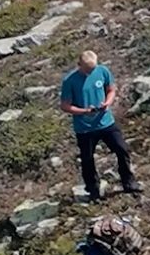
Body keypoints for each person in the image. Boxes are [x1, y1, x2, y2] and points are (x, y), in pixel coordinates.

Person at [59, 51, 141, 202]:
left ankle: (129, 182)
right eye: (87, 69)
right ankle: (93, 190)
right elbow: (65, 105)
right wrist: (84, 111)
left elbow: (111, 89)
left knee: (122, 149)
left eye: (93, 68)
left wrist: (108, 103)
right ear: (79, 65)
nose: (91, 72)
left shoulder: (102, 71)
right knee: (87, 159)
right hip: (85, 128)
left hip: (106, 122)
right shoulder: (70, 80)